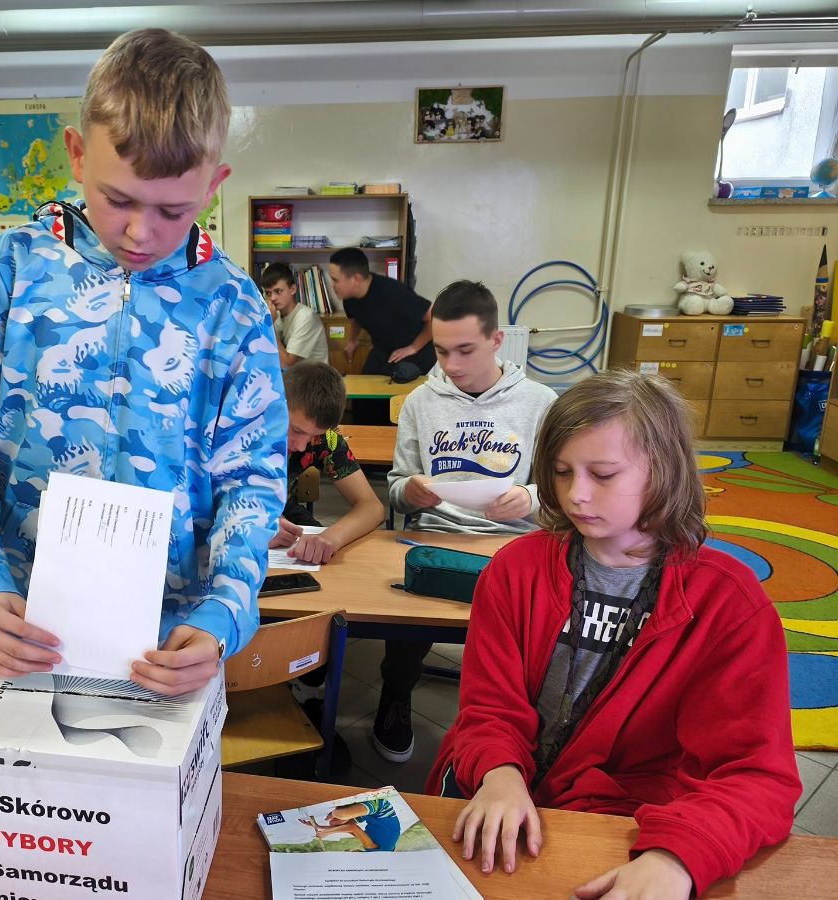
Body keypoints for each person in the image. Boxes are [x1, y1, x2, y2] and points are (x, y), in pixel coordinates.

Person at [0, 28, 287, 698]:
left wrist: (227, 609)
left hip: (171, 639)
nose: (140, 233)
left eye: (173, 210)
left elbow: (252, 478)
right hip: (20, 624)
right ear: (78, 156)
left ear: (214, 185)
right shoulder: (13, 267)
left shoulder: (233, 304)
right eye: (119, 200)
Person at [429, 369, 800, 899]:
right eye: (561, 472)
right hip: (498, 789)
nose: (576, 495)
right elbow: (488, 709)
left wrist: (678, 858)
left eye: (603, 474)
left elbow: (756, 776)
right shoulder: (515, 569)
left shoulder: (728, 602)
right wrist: (500, 774)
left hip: (632, 823)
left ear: (664, 470)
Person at [374, 280, 556, 764]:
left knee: (532, 632)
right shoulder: (421, 402)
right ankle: (396, 694)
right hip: (435, 536)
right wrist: (410, 491)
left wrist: (529, 498)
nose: (451, 365)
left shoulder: (541, 403)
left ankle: (523, 721)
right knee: (402, 613)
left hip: (514, 543)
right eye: (440, 351)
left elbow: (561, 496)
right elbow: (396, 489)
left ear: (496, 341)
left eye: (465, 350)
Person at [272, 361, 384, 564]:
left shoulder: (325, 438)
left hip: (284, 515)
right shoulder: (243, 426)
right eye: (296, 430)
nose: (301, 446)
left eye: (313, 436)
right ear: (276, 403)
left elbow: (372, 507)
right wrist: (253, 523)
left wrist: (332, 538)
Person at [328, 247, 437, 377]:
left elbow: (434, 316)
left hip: (415, 351)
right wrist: (352, 340)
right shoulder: (349, 297)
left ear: (355, 279)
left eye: (335, 280)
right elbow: (357, 317)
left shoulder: (392, 292)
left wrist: (413, 348)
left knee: (388, 387)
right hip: (384, 349)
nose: (332, 285)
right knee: (364, 385)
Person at [261, 262, 329, 367]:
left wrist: (270, 324)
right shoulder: (276, 315)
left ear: (292, 289)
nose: (273, 298)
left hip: (314, 376)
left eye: (278, 291)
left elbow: (287, 364)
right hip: (292, 375)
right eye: (268, 293)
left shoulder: (306, 317)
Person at [299, 795, 402, 852]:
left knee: (335, 823)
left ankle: (351, 809)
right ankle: (342, 811)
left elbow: (348, 829)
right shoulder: (374, 850)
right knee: (340, 814)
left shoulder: (375, 848)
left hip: (371, 817)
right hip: (382, 810)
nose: (349, 851)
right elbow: (353, 828)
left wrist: (318, 826)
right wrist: (327, 833)